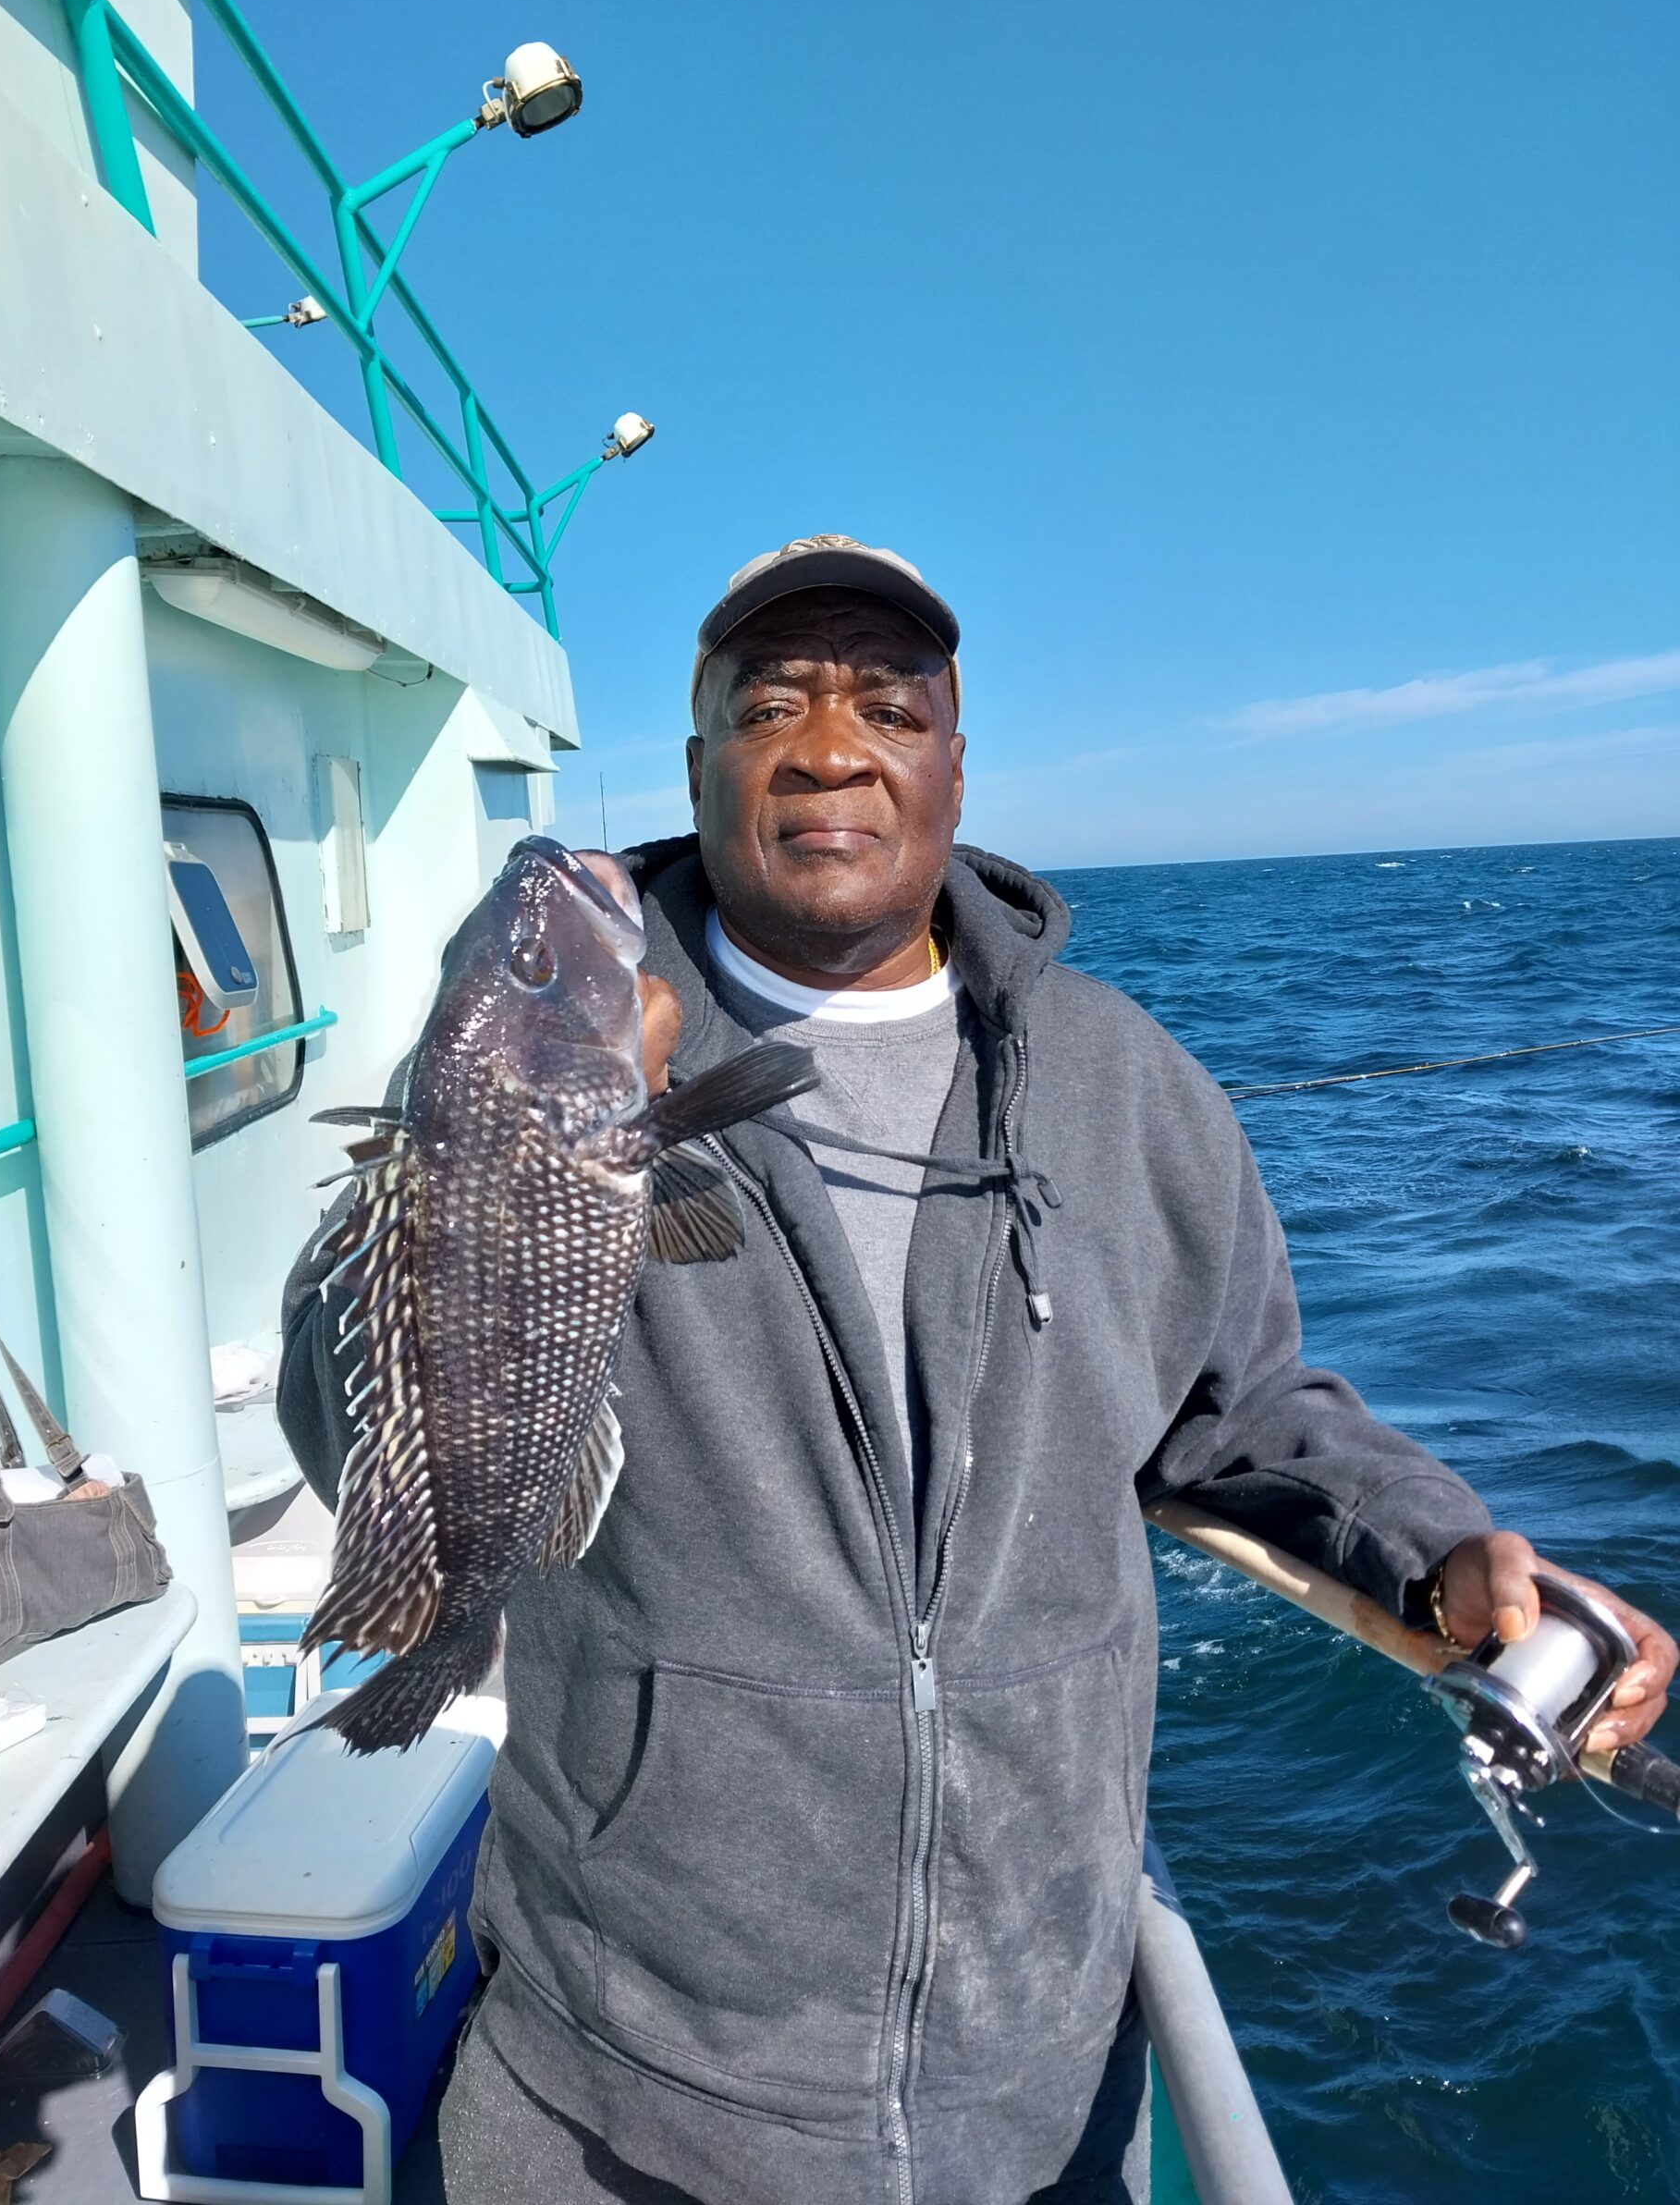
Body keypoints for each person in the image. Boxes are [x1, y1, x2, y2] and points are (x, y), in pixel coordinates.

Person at [277, 534, 1675, 2205]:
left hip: (1037, 2088)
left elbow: (1252, 1418)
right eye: (767, 704)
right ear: (702, 762)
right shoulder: (539, 1047)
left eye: (889, 703)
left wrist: (1432, 1551)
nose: (827, 745)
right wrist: (483, 1143)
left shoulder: (1130, 1085)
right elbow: (343, 1412)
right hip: (619, 2088)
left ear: (952, 759)